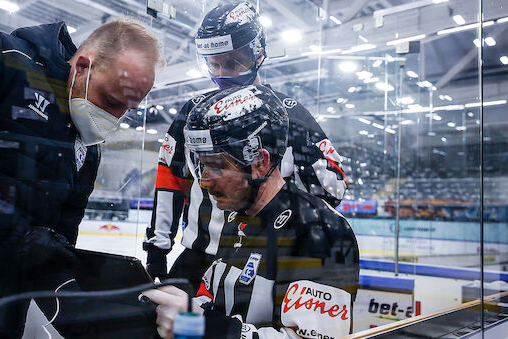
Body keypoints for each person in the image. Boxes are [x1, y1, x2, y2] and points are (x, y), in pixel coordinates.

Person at [0, 18, 162, 337]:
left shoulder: (87, 149)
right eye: (111, 101)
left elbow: (58, 243)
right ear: (83, 66)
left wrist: (101, 306)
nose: (114, 118)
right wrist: (19, 235)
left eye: (127, 109)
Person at [144, 1, 348, 289]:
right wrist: (156, 253)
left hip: (263, 263)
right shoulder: (193, 113)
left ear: (259, 53)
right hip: (198, 258)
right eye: (214, 63)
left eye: (232, 61)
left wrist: (299, 154)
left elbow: (333, 189)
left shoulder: (289, 114)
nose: (222, 72)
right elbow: (169, 180)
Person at [142, 85, 359, 339]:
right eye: (201, 165)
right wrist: (181, 310)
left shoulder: (319, 229)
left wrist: (203, 327)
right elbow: (213, 302)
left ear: (260, 161)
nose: (203, 180)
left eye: (216, 166)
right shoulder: (235, 215)